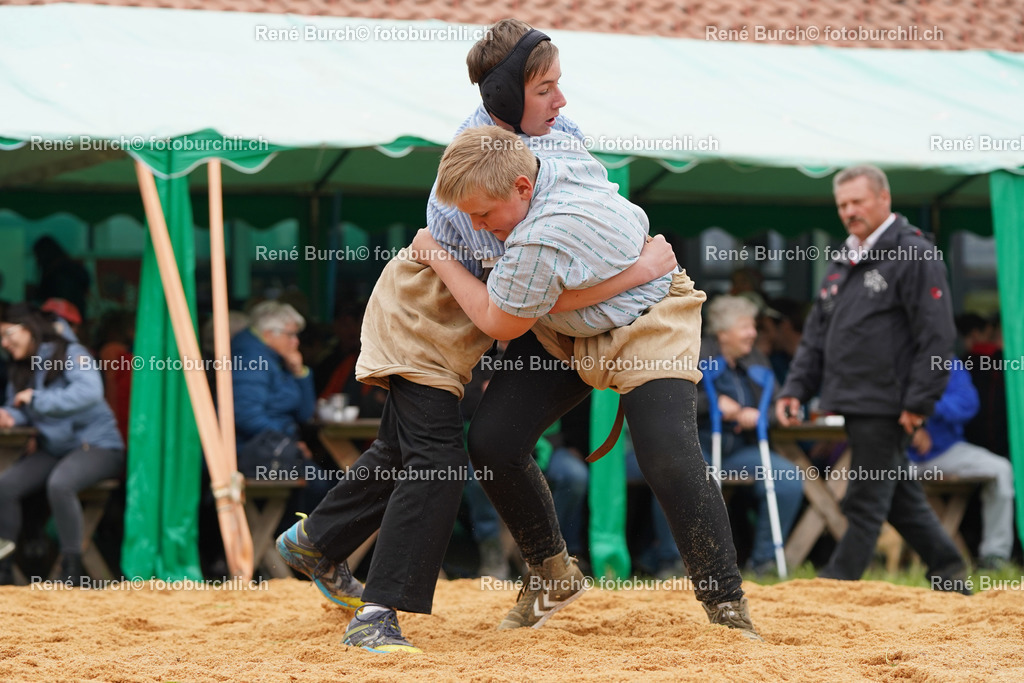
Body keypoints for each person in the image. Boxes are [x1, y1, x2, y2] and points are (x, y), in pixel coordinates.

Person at [274, 20, 676, 653]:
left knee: (403, 452)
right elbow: (508, 310)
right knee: (436, 464)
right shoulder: (472, 171)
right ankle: (377, 617)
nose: (562, 102)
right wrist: (638, 272)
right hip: (427, 320)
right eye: (546, 88)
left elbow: (576, 224)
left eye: (558, 86)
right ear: (507, 93)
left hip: (455, 320)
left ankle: (315, 541)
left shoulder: (557, 135)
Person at [412, 124, 761, 639]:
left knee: (668, 457)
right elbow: (519, 117)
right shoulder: (548, 153)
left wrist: (436, 254)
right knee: (492, 442)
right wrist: (635, 266)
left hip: (647, 320)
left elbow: (500, 321)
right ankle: (551, 573)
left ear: (523, 189)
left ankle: (727, 606)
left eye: (483, 214)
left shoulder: (542, 233)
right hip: (569, 332)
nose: (478, 227)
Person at [776, 164, 969, 590]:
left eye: (857, 202)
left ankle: (836, 586)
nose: (849, 211)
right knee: (898, 497)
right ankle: (950, 573)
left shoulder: (914, 252)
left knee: (864, 500)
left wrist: (920, 402)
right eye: (842, 204)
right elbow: (816, 336)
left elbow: (937, 336)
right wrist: (795, 389)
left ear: (884, 199)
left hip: (889, 402)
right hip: (852, 399)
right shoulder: (844, 257)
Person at [0, 304, 125, 585]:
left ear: (28, 327)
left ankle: (72, 570)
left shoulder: (70, 352)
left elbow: (90, 393)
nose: (4, 344)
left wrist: (37, 400)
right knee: (5, 486)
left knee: (60, 484)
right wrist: (10, 416)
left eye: (7, 334)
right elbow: (22, 405)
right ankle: (4, 569)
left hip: (97, 446)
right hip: (55, 448)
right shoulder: (20, 365)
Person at [698, 295, 803, 576]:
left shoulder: (757, 358)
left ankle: (764, 563)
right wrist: (716, 404)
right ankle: (678, 562)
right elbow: (675, 400)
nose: (753, 333)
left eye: (753, 327)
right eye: (745, 327)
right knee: (686, 478)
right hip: (701, 446)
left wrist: (759, 416)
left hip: (738, 451)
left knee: (788, 478)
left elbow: (776, 405)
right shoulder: (697, 355)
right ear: (723, 332)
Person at [908, 362, 1015, 570]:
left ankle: (995, 556)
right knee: (868, 474)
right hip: (900, 454)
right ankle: (872, 556)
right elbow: (877, 403)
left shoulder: (947, 362)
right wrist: (910, 428)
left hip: (945, 452)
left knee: (1001, 470)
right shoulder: (890, 353)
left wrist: (926, 409)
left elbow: (968, 403)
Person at [232, 301, 332, 512]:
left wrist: (299, 372)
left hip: (274, 447)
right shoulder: (251, 359)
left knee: (323, 484)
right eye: (291, 335)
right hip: (251, 453)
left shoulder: (277, 358)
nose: (296, 342)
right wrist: (289, 445)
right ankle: (288, 542)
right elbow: (246, 417)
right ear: (269, 334)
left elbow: (305, 414)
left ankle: (287, 541)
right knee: (319, 487)